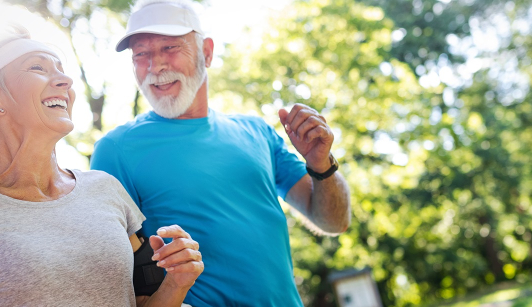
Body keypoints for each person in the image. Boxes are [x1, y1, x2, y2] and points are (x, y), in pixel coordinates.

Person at [91, 0, 352, 305]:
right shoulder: (115, 150)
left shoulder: (258, 132)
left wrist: (321, 164)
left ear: (206, 52)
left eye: (170, 48)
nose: (155, 66)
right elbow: (112, 279)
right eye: (141, 54)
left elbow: (335, 222)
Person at [0, 24, 203, 306]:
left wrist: (175, 284)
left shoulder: (105, 188)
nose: (65, 80)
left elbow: (143, 300)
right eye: (37, 67)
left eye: (61, 69)